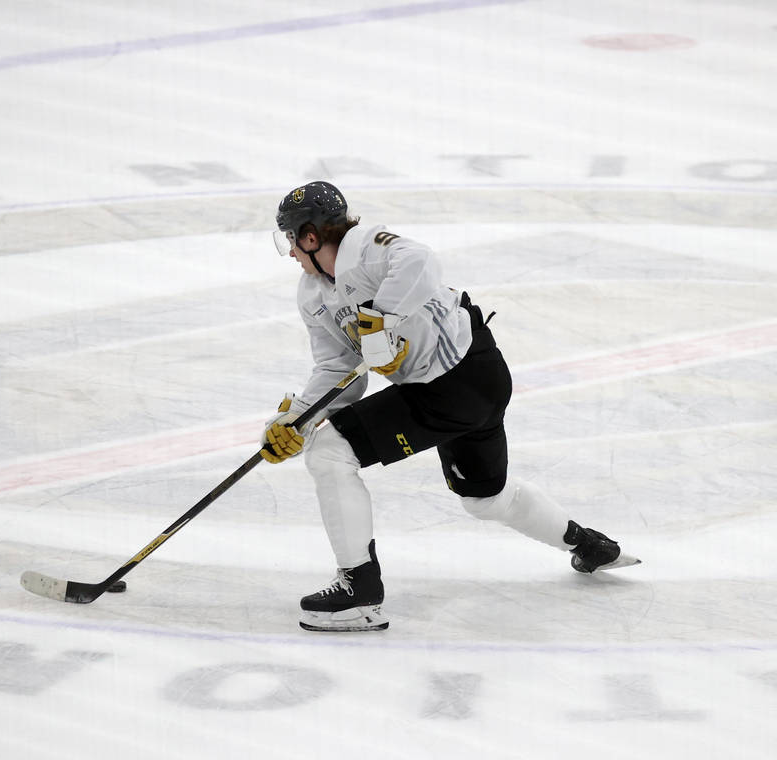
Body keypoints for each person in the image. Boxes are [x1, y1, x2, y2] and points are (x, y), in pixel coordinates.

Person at [261, 181, 638, 631]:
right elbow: (337, 368)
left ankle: (358, 591)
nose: (289, 253)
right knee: (485, 498)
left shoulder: (367, 247)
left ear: (310, 235)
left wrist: (383, 321)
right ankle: (588, 544)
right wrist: (300, 418)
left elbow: (420, 262)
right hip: (464, 385)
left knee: (330, 453)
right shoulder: (313, 295)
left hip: (459, 379)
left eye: (291, 239)